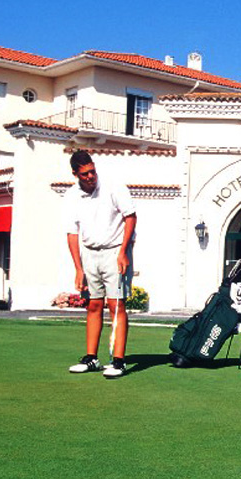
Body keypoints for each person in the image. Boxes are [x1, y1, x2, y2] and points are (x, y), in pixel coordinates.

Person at [64, 150, 137, 378]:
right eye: (84, 174)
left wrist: (123, 252)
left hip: (115, 251)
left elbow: (130, 217)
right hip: (89, 253)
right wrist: (78, 269)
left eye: (92, 171)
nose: (90, 177)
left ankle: (119, 361)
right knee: (93, 305)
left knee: (116, 306)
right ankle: (91, 358)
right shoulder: (71, 196)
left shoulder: (114, 187)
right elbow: (72, 233)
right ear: (75, 174)